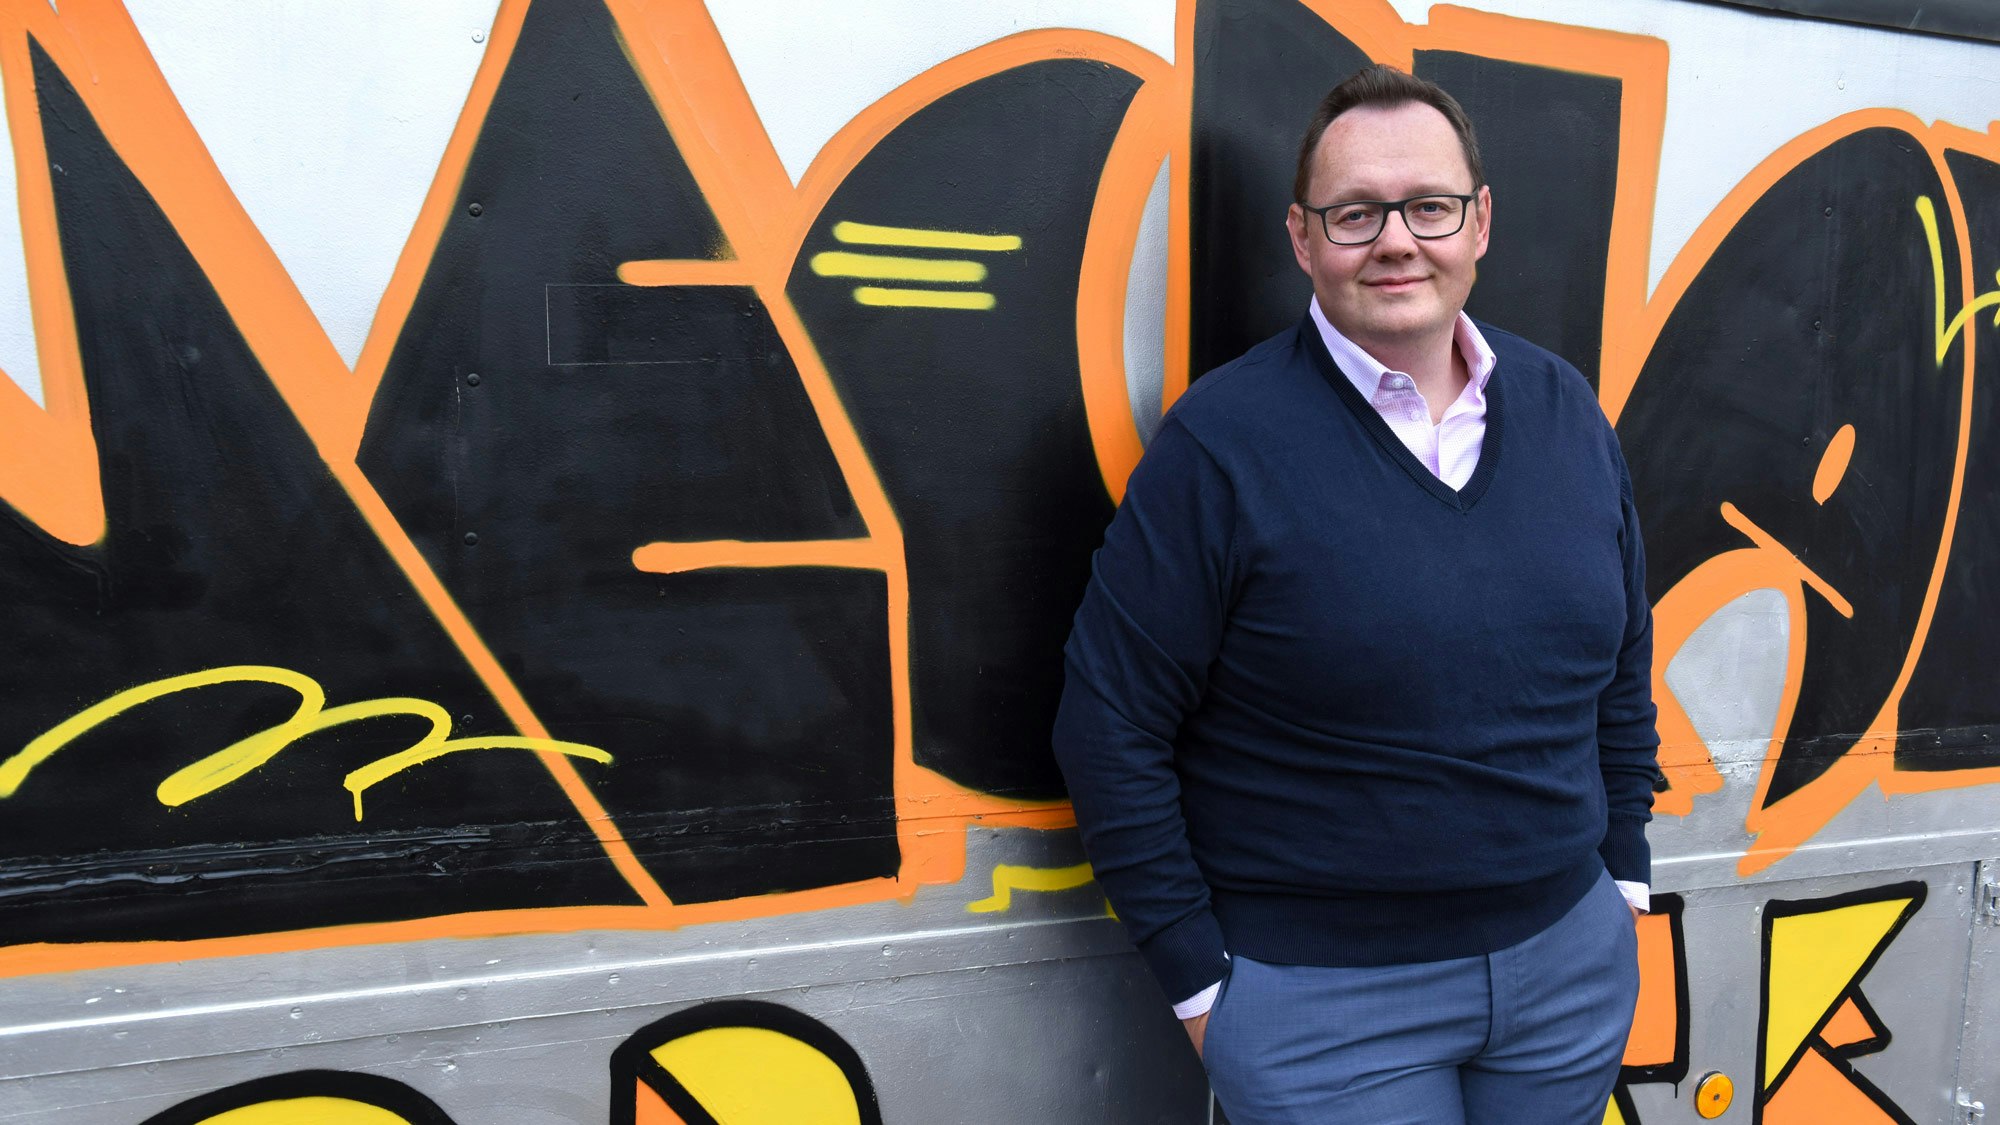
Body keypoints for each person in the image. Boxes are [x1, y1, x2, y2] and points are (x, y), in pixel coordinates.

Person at [1051, 63, 1659, 1124]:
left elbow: (1617, 671)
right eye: (1354, 213)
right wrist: (1204, 990)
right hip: (1324, 1009)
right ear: (1301, 238)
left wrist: (1622, 887)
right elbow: (1108, 727)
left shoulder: (1565, 412)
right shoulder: (1222, 443)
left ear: (1478, 223)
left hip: (1568, 972)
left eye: (1427, 206)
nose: (1395, 240)